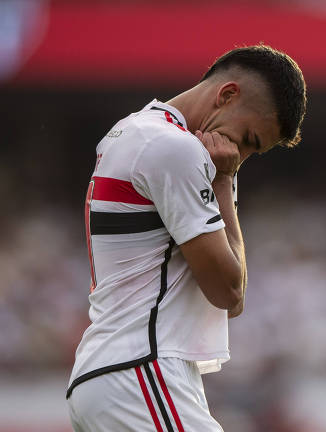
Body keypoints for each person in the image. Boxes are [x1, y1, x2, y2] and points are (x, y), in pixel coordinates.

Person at [66, 45, 307, 431]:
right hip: (139, 370)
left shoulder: (134, 129)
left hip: (117, 373)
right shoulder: (174, 148)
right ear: (227, 95)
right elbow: (230, 293)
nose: (239, 155)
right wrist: (224, 181)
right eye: (248, 139)